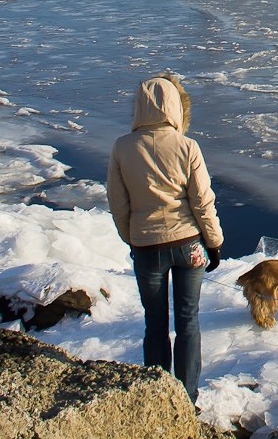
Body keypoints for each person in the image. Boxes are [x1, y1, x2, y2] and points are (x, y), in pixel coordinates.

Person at [106, 73, 223, 403]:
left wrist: (132, 238)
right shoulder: (187, 147)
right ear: (174, 105)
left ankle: (158, 397)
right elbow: (202, 200)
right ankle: (187, 398)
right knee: (188, 321)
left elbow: (118, 201)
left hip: (147, 248)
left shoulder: (122, 148)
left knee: (154, 323)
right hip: (189, 245)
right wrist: (213, 242)